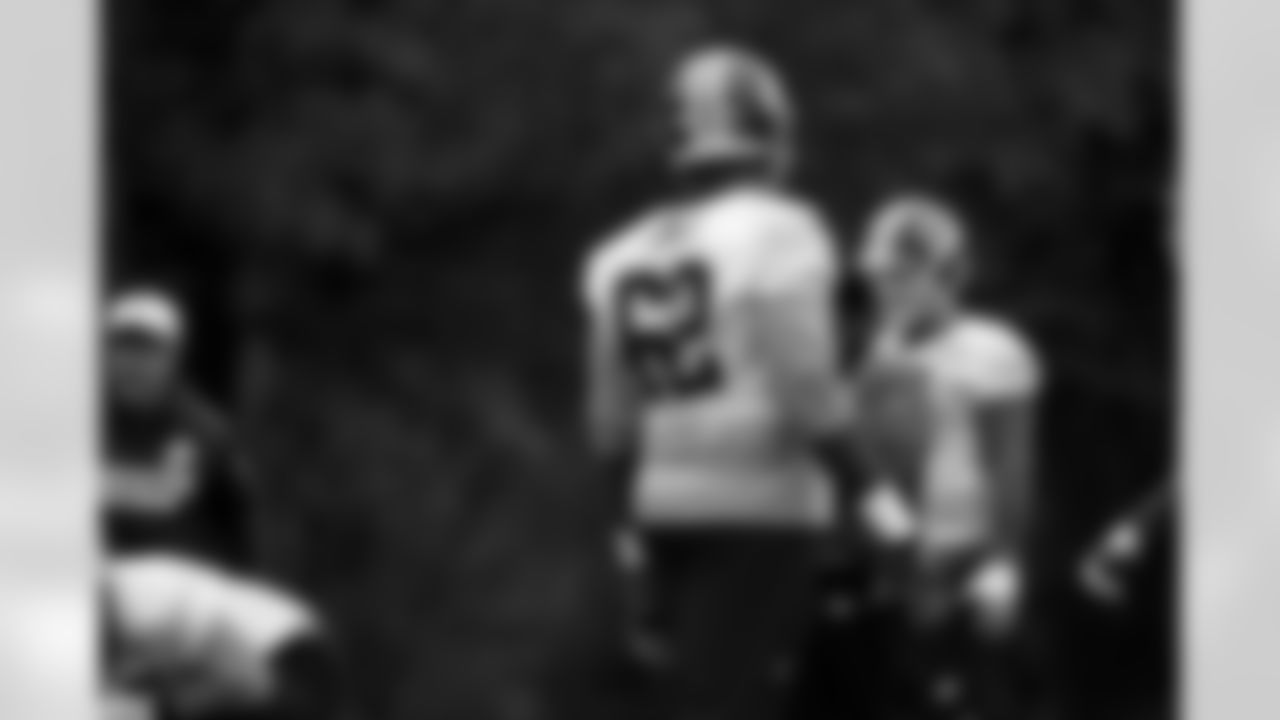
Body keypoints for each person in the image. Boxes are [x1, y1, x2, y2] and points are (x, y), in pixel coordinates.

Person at [579, 45, 898, 720]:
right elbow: (805, 387)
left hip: (662, 510)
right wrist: (872, 491)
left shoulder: (622, 254)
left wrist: (626, 537)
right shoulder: (780, 232)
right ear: (768, 133)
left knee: (702, 696)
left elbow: (611, 425)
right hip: (762, 512)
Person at [852, 195, 1044, 720]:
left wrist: (1004, 561)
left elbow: (1009, 461)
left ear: (950, 273)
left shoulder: (991, 349)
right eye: (881, 276)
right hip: (897, 564)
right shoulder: (873, 353)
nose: (888, 288)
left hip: (967, 554)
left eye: (904, 275)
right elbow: (868, 469)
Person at [103, 288, 259, 570]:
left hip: (181, 576)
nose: (133, 363)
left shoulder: (199, 426)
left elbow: (166, 495)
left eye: (147, 350)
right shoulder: (84, 415)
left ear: (174, 356)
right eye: (123, 347)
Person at [103, 554, 357, 720]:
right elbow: (244, 677)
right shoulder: (310, 687)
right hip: (152, 618)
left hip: (149, 607)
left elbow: (245, 679)